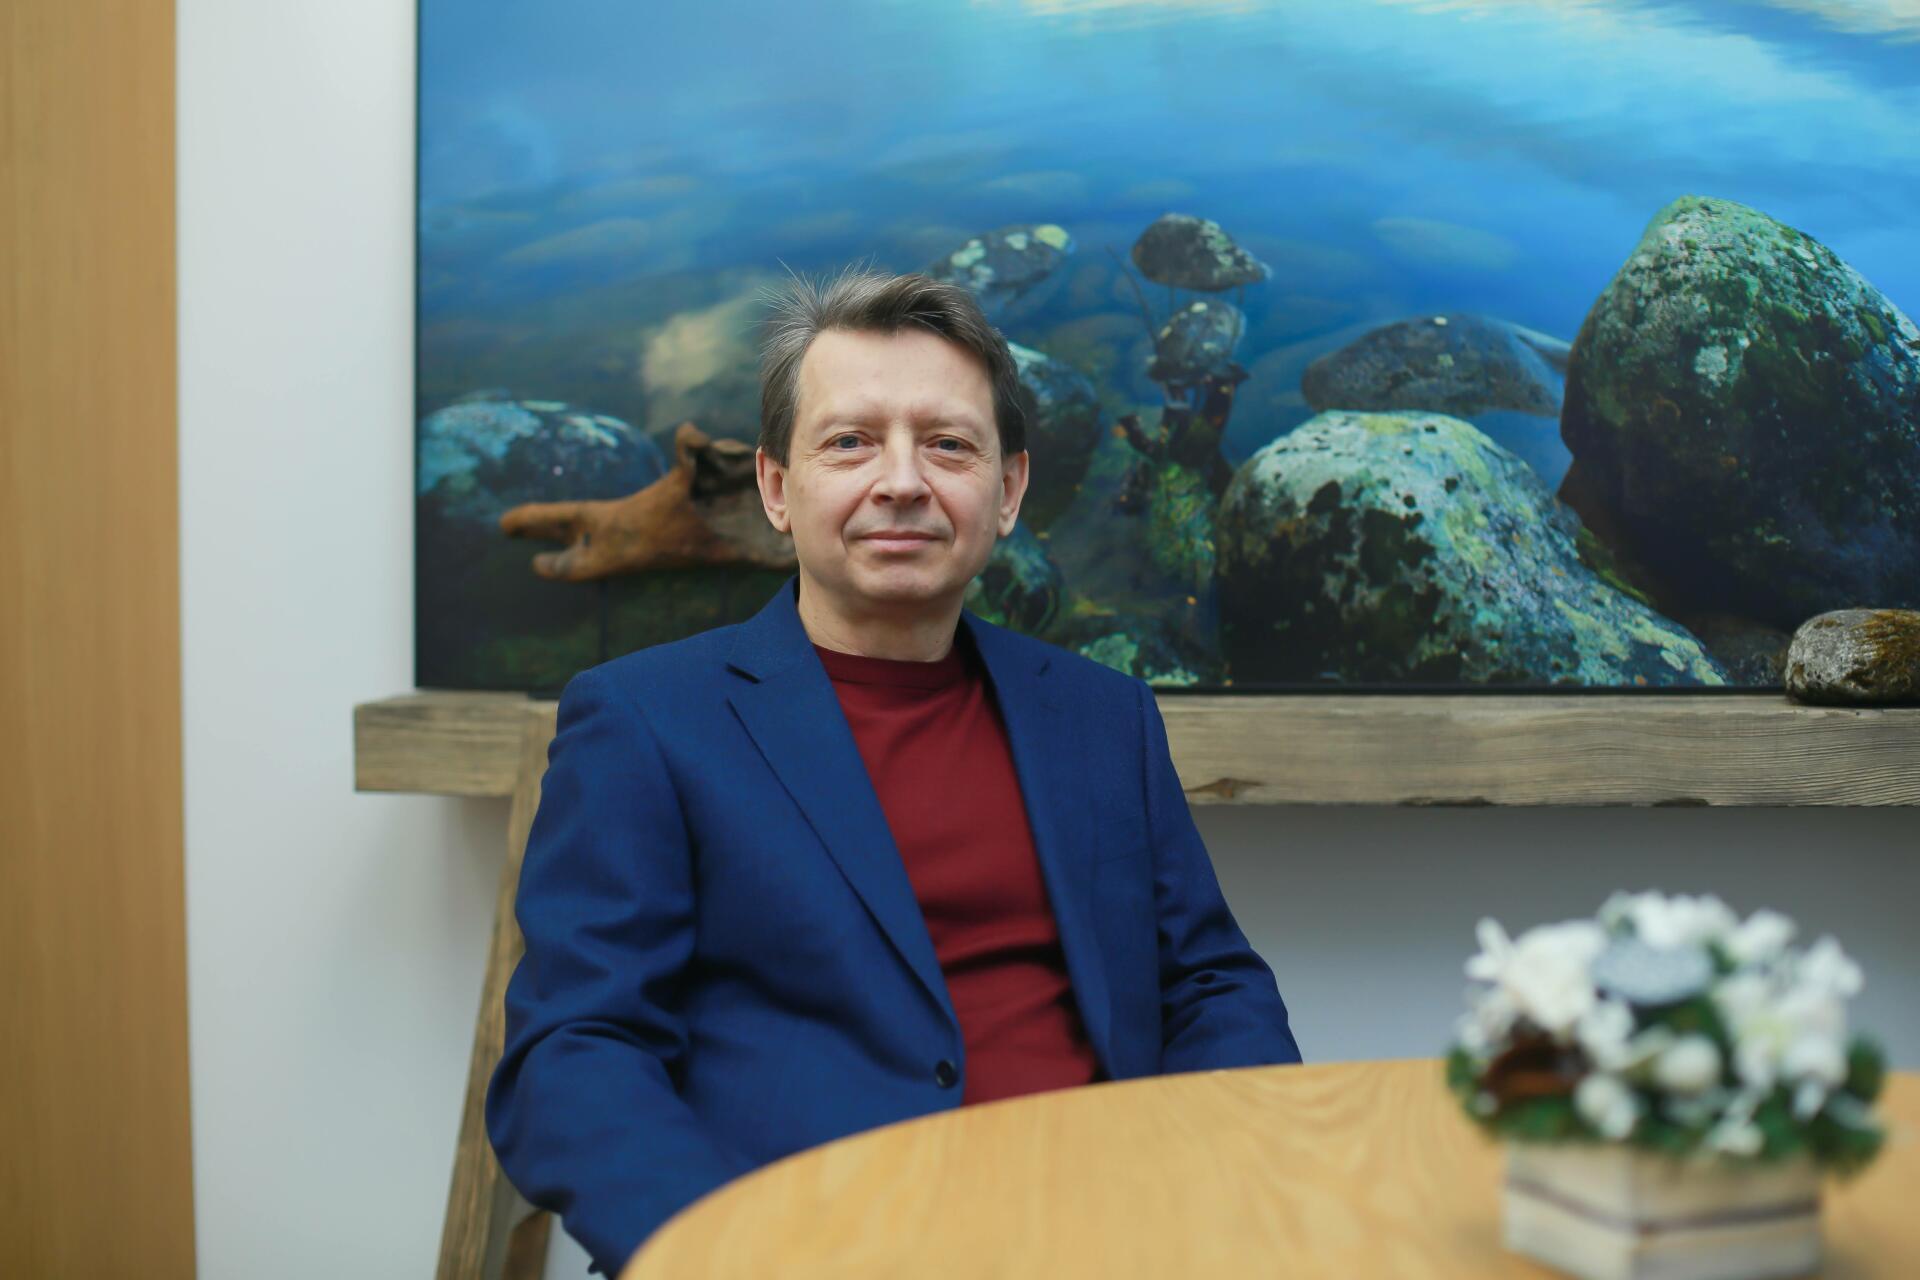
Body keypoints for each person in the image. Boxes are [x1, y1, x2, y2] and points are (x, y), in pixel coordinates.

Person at [484, 268, 1301, 1276]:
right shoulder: (646, 721)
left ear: (1008, 491)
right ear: (776, 489)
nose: (904, 481)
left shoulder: (1104, 716)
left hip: (1103, 1233)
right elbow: (574, 1054)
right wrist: (728, 1249)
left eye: (949, 444)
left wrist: (1213, 1187)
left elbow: (1211, 985)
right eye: (850, 442)